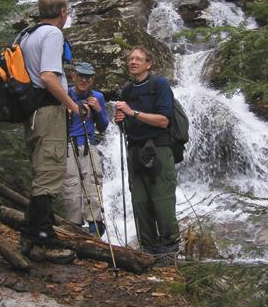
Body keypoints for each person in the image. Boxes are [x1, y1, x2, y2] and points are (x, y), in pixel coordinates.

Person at [19, 0, 81, 264]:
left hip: (32, 113)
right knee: (49, 172)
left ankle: (30, 235)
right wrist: (72, 104)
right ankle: (43, 239)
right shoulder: (53, 34)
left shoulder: (26, 34)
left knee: (42, 170)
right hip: (47, 111)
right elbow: (47, 76)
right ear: (63, 12)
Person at [115, 46, 180, 262]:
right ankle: (148, 251)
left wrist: (132, 112)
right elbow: (127, 125)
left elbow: (164, 120)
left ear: (148, 64)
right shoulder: (127, 91)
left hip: (159, 148)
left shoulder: (159, 85)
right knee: (140, 202)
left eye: (138, 59)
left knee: (162, 200)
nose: (133, 62)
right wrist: (121, 122)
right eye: (131, 59)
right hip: (135, 150)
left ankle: (169, 251)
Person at [63, 62, 109, 236]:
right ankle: (73, 226)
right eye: (80, 76)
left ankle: (95, 225)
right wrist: (64, 112)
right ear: (73, 75)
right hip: (68, 145)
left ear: (92, 79)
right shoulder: (64, 93)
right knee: (70, 185)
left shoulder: (98, 97)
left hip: (89, 145)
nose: (83, 80)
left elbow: (103, 126)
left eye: (87, 77)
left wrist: (98, 109)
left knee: (93, 183)